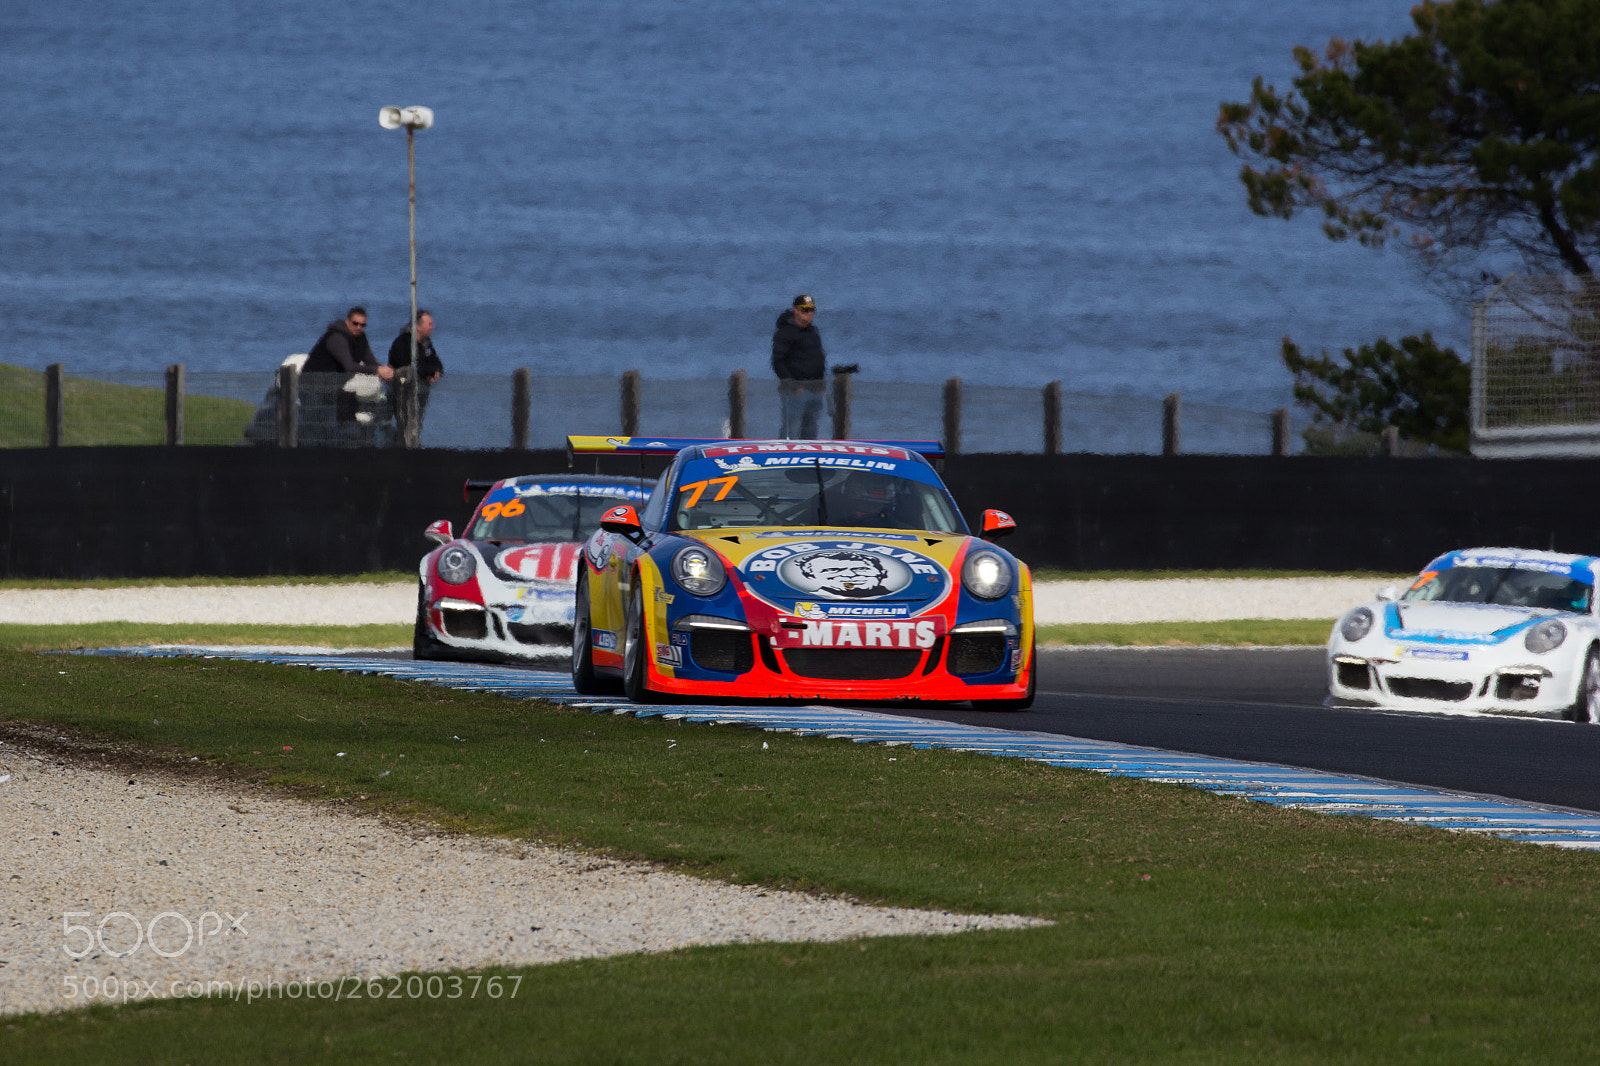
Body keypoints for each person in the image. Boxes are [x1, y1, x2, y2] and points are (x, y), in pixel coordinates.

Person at [302, 307, 394, 444]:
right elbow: (349, 365)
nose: (358, 327)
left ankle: (330, 457)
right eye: (355, 323)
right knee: (315, 427)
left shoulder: (361, 339)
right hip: (311, 386)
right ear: (347, 321)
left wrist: (384, 370)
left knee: (330, 428)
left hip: (331, 388)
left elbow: (370, 361)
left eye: (362, 325)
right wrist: (377, 370)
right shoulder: (336, 338)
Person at [771, 294, 826, 439]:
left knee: (811, 430)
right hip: (794, 391)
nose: (809, 314)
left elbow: (819, 358)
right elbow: (778, 362)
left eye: (811, 310)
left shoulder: (813, 332)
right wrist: (793, 385)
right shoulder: (785, 333)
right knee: (792, 429)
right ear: (795, 310)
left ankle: (807, 459)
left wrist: (821, 384)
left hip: (814, 389)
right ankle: (786, 457)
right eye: (804, 310)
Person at [387, 309, 445, 441]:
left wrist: (436, 373)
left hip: (420, 396)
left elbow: (437, 363)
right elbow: (409, 366)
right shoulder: (402, 343)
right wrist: (428, 372)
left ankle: (412, 450)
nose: (433, 327)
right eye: (430, 324)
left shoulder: (426, 344)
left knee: (415, 428)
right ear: (418, 326)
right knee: (405, 428)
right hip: (402, 396)